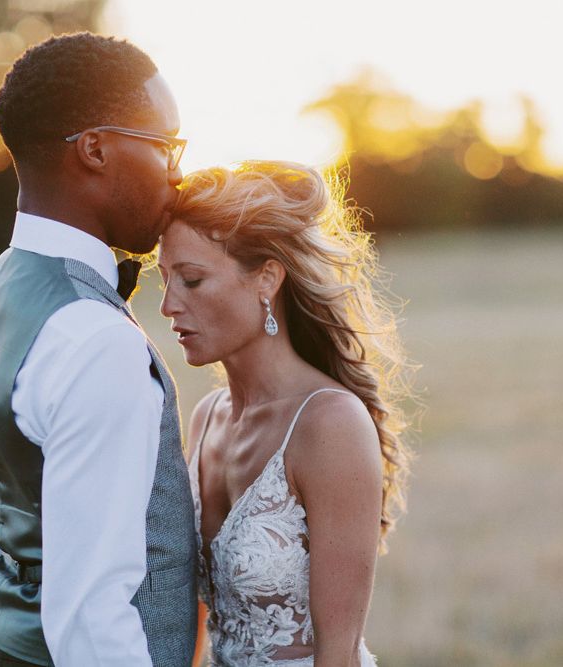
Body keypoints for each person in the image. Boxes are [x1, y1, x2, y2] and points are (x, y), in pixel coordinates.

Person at [0, 33, 197, 667]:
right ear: (95, 149)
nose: (178, 172)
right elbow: (93, 616)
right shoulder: (94, 338)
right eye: (167, 146)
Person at [157, 161, 413, 666]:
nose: (168, 305)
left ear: (267, 278)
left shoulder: (330, 425)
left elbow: (337, 653)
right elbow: (198, 625)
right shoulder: (206, 416)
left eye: (191, 279)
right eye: (164, 279)